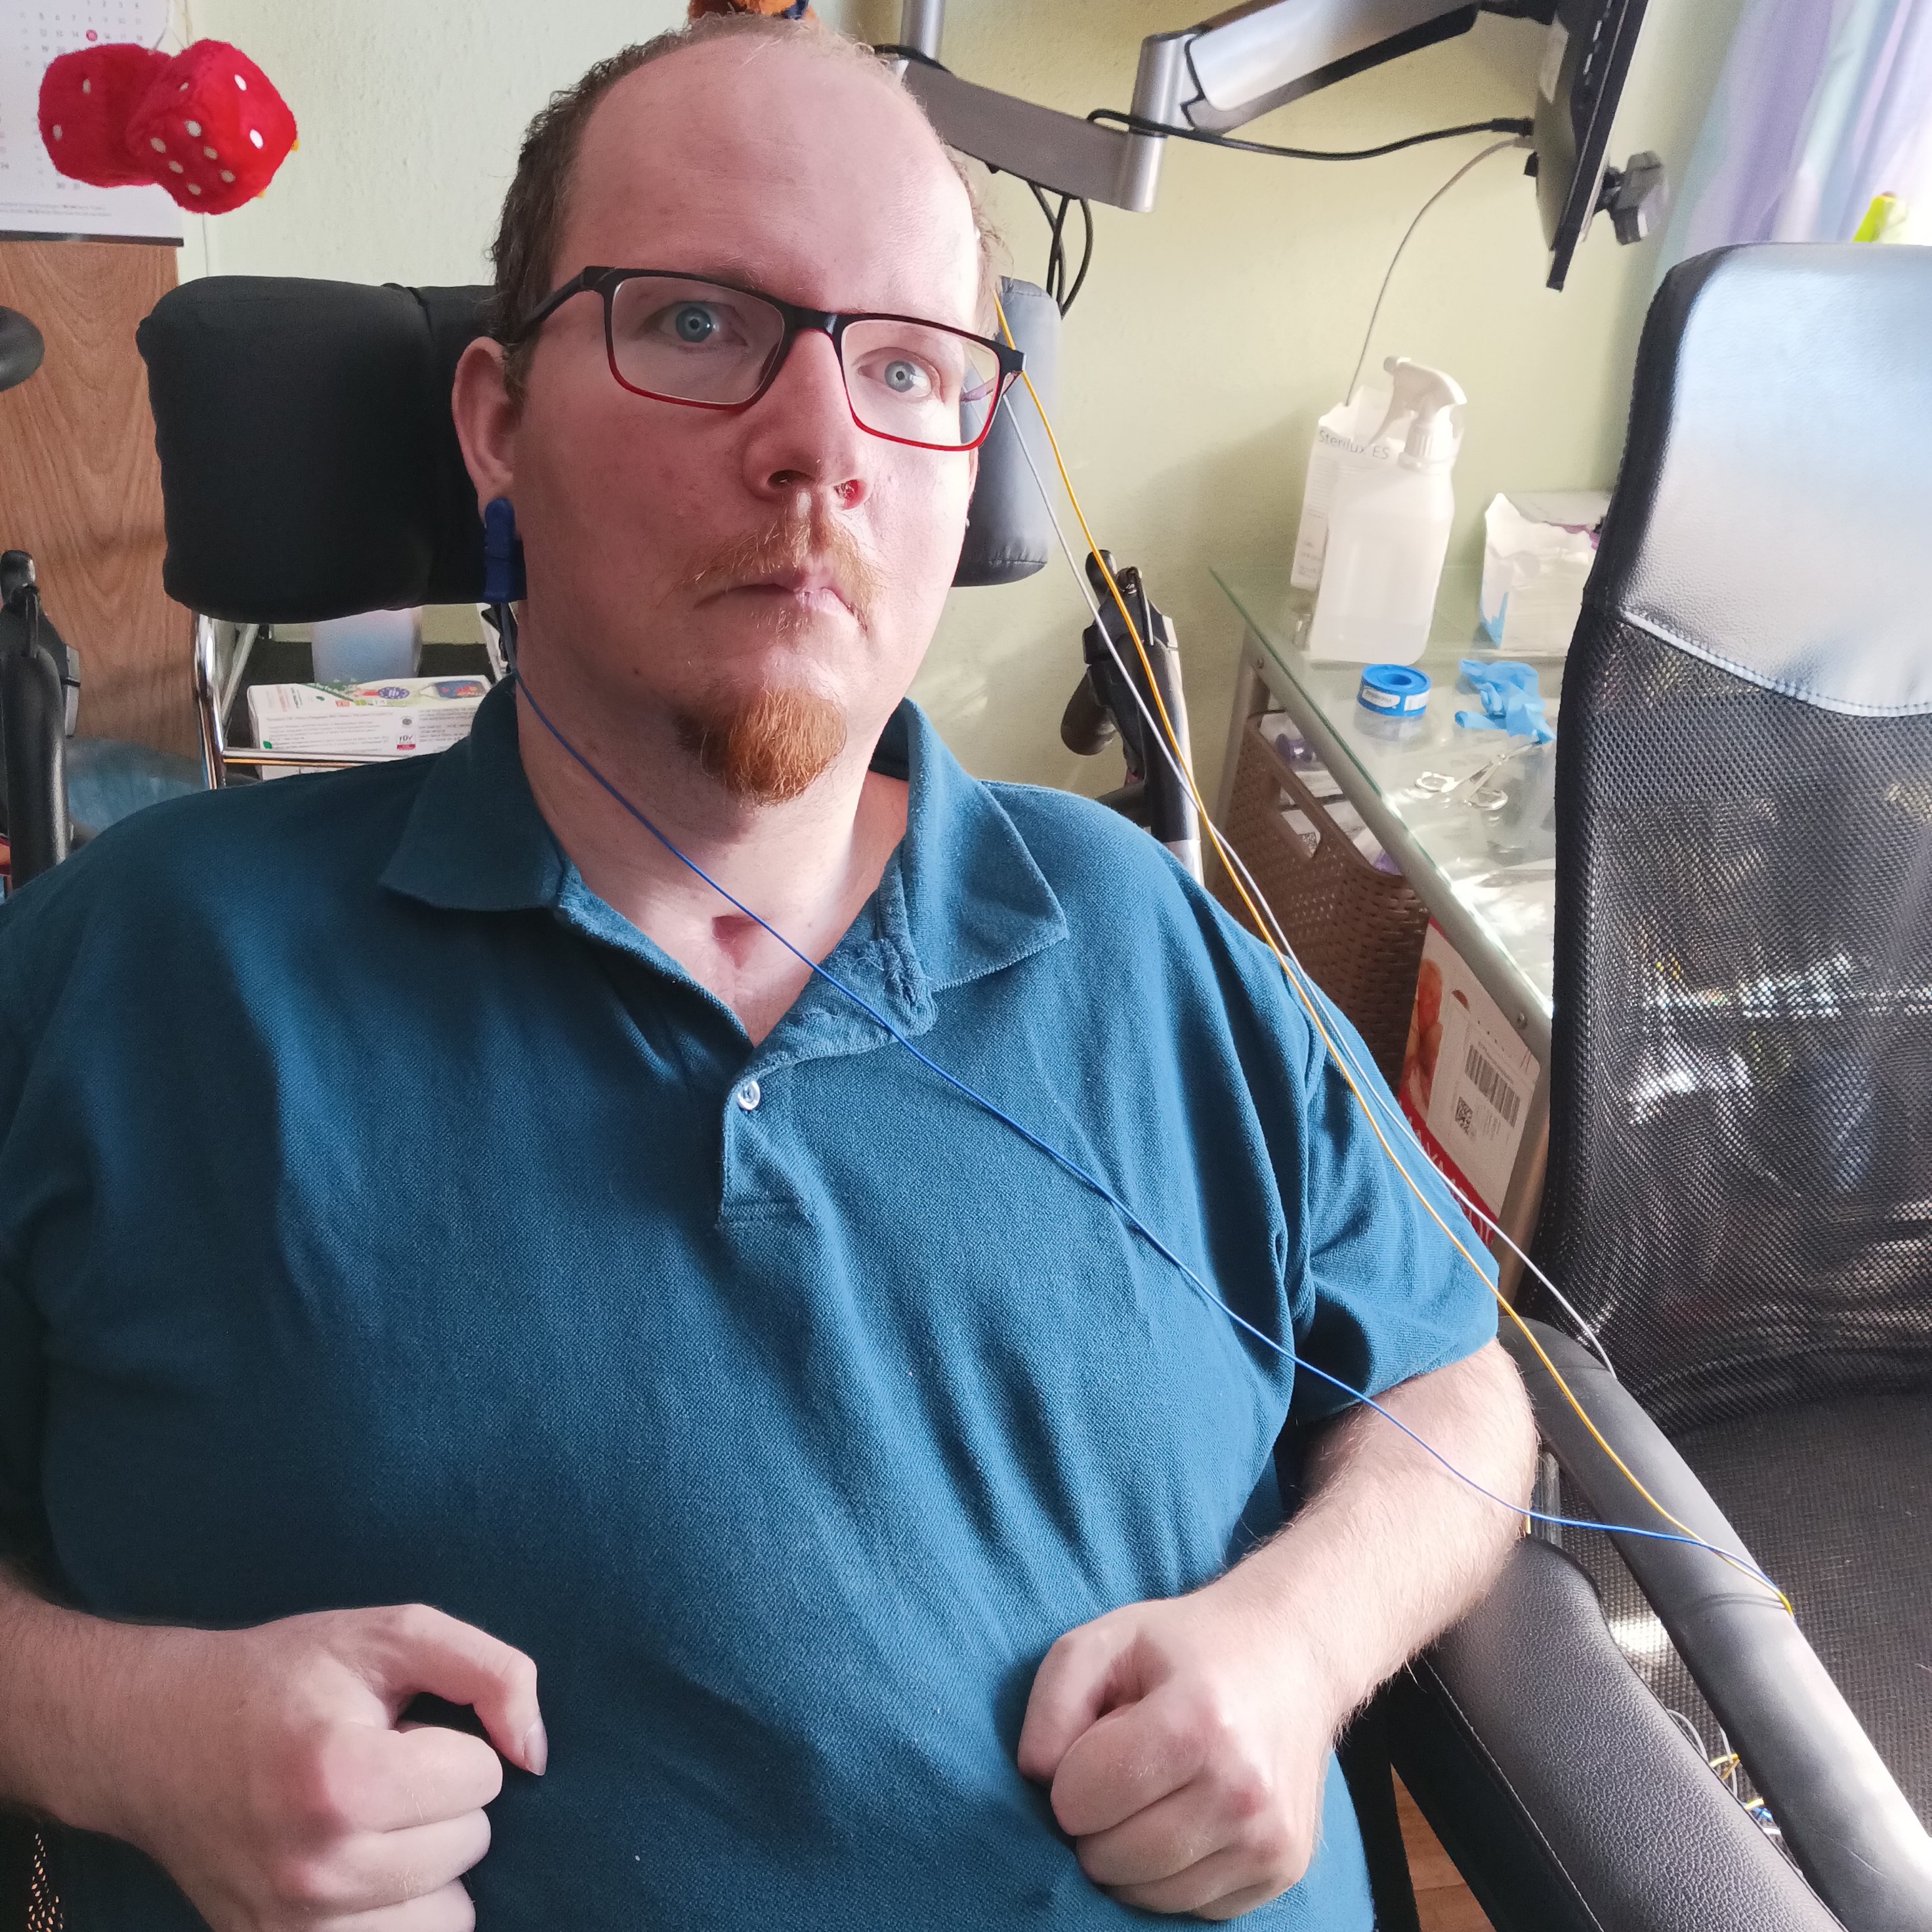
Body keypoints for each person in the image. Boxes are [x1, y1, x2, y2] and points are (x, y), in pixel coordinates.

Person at [0, 17, 1534, 1929]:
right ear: (498, 422)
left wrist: (1301, 1641)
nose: (820, 447)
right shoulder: (137, 974)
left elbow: (1457, 1387)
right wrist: (121, 1734)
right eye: (698, 323)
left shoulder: (1148, 935)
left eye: (906, 365)